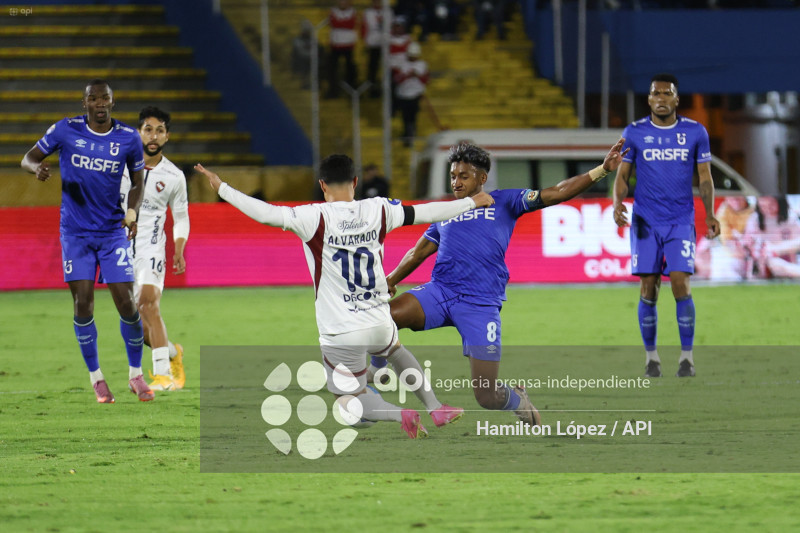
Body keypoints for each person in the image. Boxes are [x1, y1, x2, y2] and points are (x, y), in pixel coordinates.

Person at [194, 155, 497, 438]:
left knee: (345, 401)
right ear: (354, 182)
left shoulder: (312, 217)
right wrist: (470, 202)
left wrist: (222, 187)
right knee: (396, 351)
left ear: (322, 185)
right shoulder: (378, 208)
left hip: (342, 329)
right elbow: (425, 212)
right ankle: (436, 407)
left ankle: (400, 414)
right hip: (379, 318)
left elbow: (266, 214)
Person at [378, 139, 628, 426]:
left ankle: (516, 399)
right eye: (453, 176)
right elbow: (419, 250)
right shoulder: (446, 211)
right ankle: (375, 372)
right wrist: (391, 280)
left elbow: (557, 192)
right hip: (440, 292)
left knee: (486, 396)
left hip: (480, 305)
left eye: (463, 176)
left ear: (482, 178)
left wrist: (601, 170)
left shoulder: (506, 201)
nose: (456, 183)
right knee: (383, 318)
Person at [20, 79, 153, 403]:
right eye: (93, 99)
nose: (99, 104)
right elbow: (28, 158)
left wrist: (132, 211)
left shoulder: (127, 139)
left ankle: (135, 374)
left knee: (127, 304)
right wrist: (36, 169)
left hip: (111, 233)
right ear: (85, 104)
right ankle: (97, 379)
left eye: (104, 98)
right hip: (76, 234)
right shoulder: (65, 130)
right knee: (83, 303)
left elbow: (138, 180)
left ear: (112, 101)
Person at [612, 73, 720, 379]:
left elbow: (704, 177)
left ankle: (686, 358)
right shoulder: (634, 133)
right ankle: (652, 358)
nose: (660, 99)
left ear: (676, 99)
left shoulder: (695, 132)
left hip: (680, 220)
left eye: (666, 93)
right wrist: (618, 204)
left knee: (680, 283)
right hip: (645, 221)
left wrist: (710, 213)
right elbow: (622, 175)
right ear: (648, 99)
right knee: (648, 287)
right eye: (655, 94)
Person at [120, 107, 188, 391]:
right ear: (139, 133)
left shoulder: (174, 176)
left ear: (167, 136)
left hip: (151, 249)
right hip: (120, 249)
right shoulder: (120, 166)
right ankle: (173, 353)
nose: (153, 135)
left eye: (159, 130)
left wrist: (179, 249)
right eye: (148, 129)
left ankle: (162, 377)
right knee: (136, 325)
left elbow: (182, 217)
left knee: (149, 304)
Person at [394, 42, 429, 146]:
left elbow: (426, 80)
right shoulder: (401, 63)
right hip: (403, 95)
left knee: (413, 117)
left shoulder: (422, 64)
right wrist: (407, 75)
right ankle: (407, 134)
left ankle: (410, 135)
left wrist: (417, 75)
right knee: (405, 117)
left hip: (416, 95)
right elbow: (396, 79)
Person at [326, 0, 358, 98]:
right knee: (332, 69)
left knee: (350, 69)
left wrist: (340, 23)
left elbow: (351, 24)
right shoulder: (332, 11)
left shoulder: (353, 11)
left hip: (349, 45)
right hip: (335, 45)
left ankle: (350, 90)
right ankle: (333, 91)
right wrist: (344, 23)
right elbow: (334, 23)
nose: (343, 3)